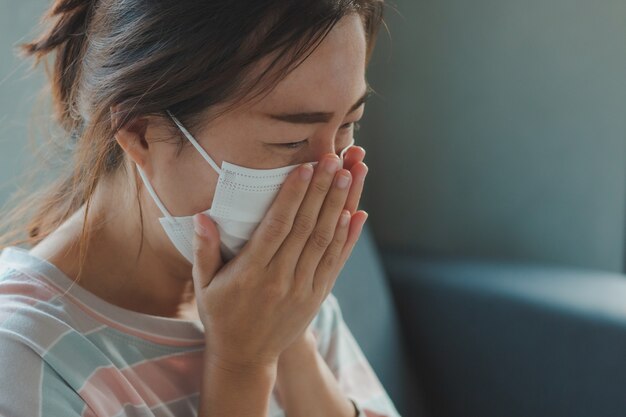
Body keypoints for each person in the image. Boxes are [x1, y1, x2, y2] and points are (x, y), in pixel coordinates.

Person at [0, 0, 402, 416]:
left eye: (346, 126)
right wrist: (241, 366)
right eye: (289, 141)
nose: (330, 175)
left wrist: (290, 344)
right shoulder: (23, 361)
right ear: (140, 131)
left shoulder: (288, 290)